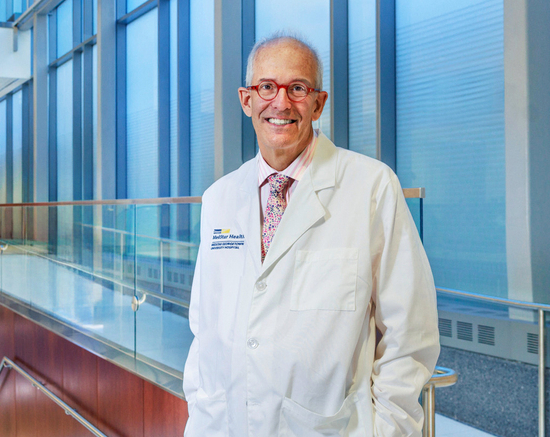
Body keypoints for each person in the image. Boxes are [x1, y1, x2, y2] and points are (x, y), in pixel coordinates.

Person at [183, 32, 440, 437]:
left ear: (318, 103)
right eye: (266, 86)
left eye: (297, 88)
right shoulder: (219, 198)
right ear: (246, 99)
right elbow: (205, 328)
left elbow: (410, 334)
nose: (281, 102)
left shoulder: (372, 187)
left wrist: (390, 430)